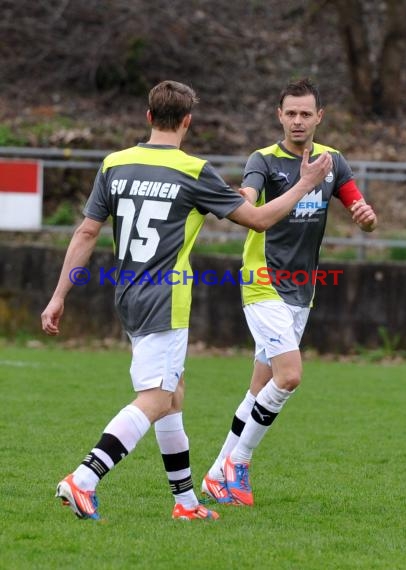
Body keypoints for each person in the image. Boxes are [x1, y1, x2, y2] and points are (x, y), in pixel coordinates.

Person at [41, 79, 332, 521]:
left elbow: (86, 232)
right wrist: (304, 183)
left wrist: (59, 295)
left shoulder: (114, 164)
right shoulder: (193, 171)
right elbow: (256, 220)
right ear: (188, 122)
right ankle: (84, 478)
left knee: (173, 395)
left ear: (148, 117)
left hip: (127, 294)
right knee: (157, 397)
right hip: (166, 297)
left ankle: (186, 503)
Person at [202, 77, 378, 506]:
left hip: (302, 289)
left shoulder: (333, 161)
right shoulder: (262, 160)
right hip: (262, 280)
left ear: (319, 117)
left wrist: (365, 216)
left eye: (306, 113)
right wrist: (247, 195)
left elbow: (359, 207)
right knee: (290, 376)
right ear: (279, 115)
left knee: (259, 387)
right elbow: (249, 204)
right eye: (290, 113)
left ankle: (213, 476)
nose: (298, 121)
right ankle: (238, 463)